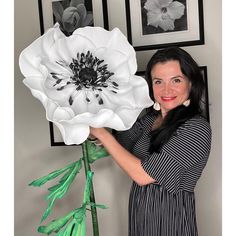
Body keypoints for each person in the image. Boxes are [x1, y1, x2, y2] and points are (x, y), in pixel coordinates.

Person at [90, 47, 212, 236]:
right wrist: (95, 132)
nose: (166, 90)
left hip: (171, 218)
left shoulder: (196, 128)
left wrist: (103, 135)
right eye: (158, 81)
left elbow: (143, 176)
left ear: (191, 83)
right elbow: (118, 145)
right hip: (140, 212)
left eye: (176, 80)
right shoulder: (149, 120)